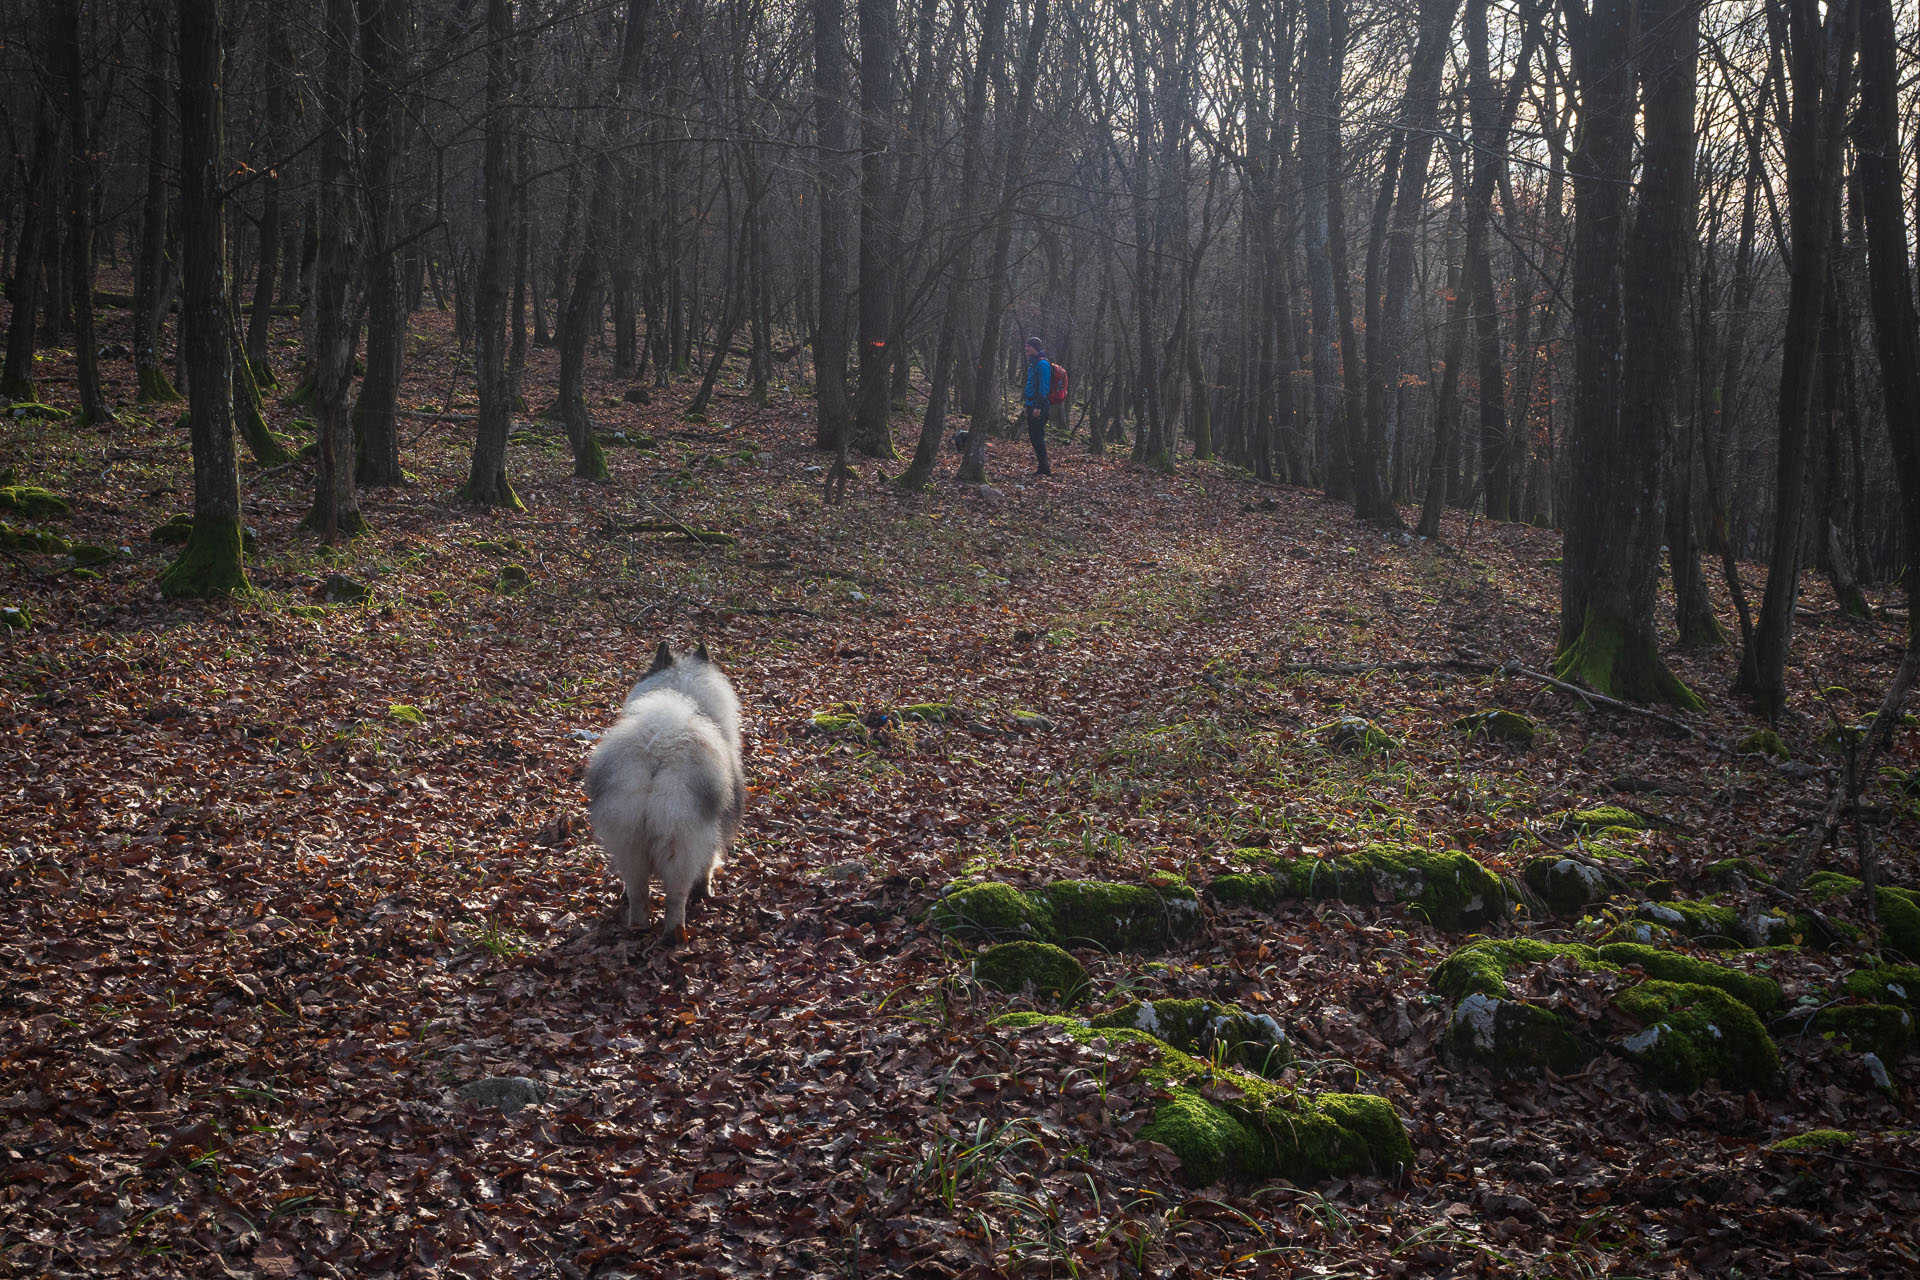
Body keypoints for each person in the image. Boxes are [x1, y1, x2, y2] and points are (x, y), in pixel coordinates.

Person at [1021, 337, 1054, 476]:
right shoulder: (1032, 364)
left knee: (1038, 437)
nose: (1026, 348)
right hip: (1031, 405)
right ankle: (1042, 466)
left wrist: (1038, 407)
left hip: (1039, 406)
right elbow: (1030, 386)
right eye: (1026, 346)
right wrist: (1026, 405)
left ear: (1035, 348)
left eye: (1029, 346)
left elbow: (1044, 387)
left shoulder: (1042, 365)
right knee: (1034, 437)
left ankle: (1044, 468)